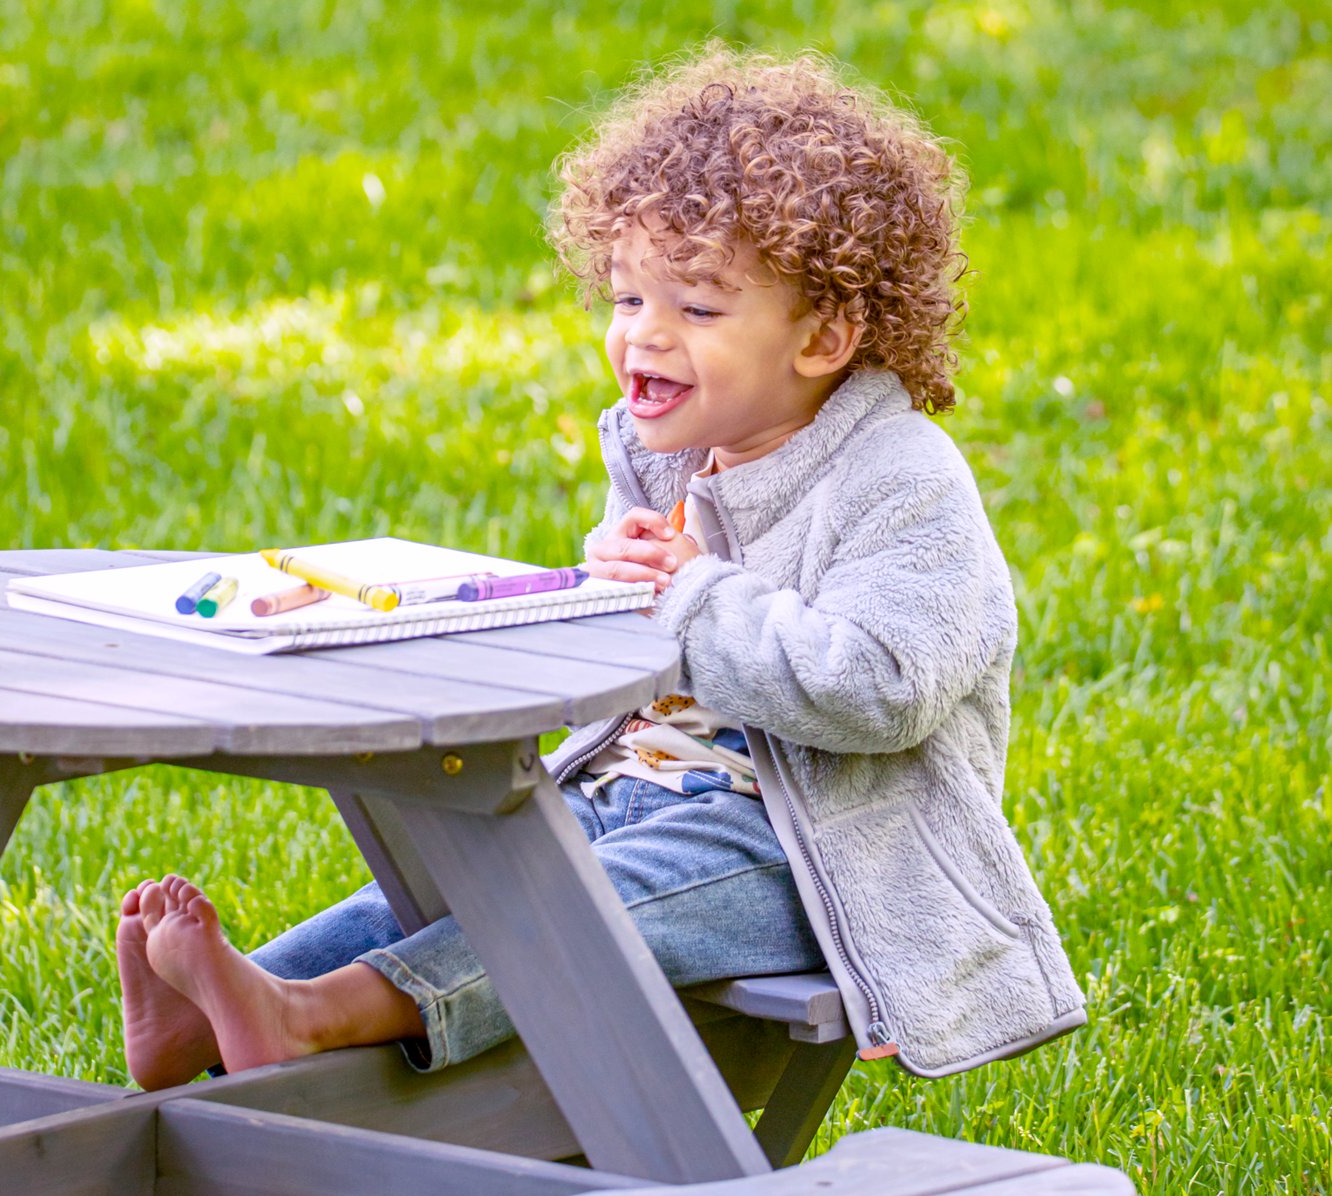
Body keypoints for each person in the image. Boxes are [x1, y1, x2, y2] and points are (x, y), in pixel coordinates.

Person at [117, 45, 1086, 1092]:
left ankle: (307, 1017)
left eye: (699, 310)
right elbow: (651, 645)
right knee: (471, 864)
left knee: (580, 902)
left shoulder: (900, 479)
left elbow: (883, 688)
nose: (644, 339)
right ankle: (228, 1005)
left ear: (826, 335)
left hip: (810, 853)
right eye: (628, 300)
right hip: (623, 787)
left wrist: (688, 593)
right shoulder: (667, 451)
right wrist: (598, 596)